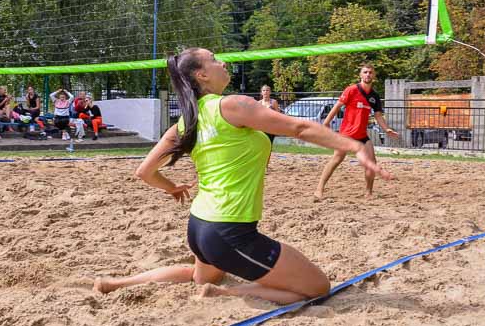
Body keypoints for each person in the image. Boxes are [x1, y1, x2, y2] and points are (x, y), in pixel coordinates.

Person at [92, 48, 391, 304]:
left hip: (199, 226)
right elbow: (299, 128)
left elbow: (144, 172)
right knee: (317, 287)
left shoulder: (186, 121)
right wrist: (356, 146)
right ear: (202, 75)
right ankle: (226, 296)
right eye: (214, 59)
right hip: (229, 231)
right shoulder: (232, 105)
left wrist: (172, 188)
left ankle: (115, 284)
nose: (223, 63)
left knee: (202, 275)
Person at [314, 64, 399, 199]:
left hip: (362, 136)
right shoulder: (352, 90)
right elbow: (337, 106)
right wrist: (326, 123)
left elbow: (378, 115)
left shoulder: (374, 96)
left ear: (374, 75)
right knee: (336, 160)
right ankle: (319, 189)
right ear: (360, 75)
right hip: (346, 135)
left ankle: (368, 193)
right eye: (365, 72)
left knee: (372, 163)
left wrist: (386, 129)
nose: (368, 74)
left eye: (370, 72)